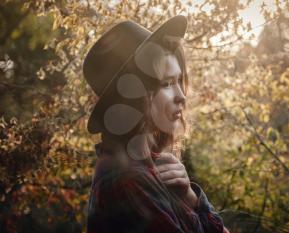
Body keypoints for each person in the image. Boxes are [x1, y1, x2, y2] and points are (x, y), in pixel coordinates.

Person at [83, 15, 228, 233]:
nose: (182, 96)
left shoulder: (149, 166)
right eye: (167, 83)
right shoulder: (127, 181)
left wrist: (191, 198)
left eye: (180, 81)